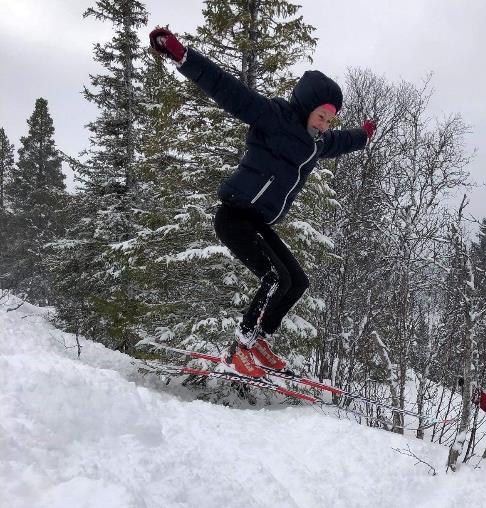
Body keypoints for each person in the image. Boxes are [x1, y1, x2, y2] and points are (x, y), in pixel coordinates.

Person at [149, 27, 376, 378]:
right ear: (305, 106)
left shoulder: (317, 143)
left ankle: (256, 341)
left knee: (296, 281)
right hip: (234, 216)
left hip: (258, 223)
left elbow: (342, 142)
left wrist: (363, 136)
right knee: (272, 277)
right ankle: (243, 345)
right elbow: (228, 90)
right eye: (321, 116)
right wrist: (183, 56)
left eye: (330, 120)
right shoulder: (274, 118)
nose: (325, 124)